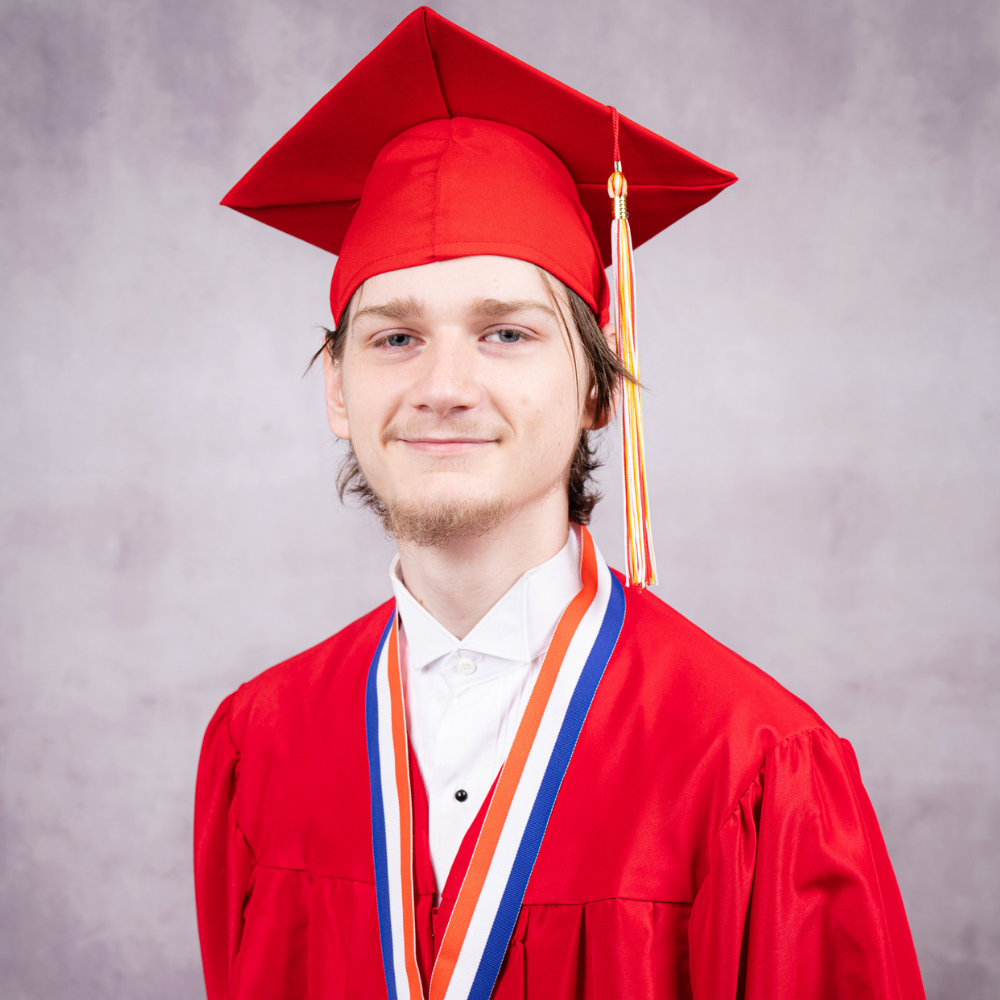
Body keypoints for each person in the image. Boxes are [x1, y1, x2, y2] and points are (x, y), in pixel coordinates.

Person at [194, 8, 926, 999]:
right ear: (337, 389)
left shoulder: (755, 766)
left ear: (594, 386)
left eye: (506, 333)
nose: (444, 384)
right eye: (394, 337)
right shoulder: (258, 747)